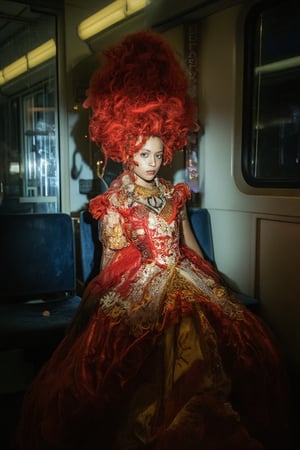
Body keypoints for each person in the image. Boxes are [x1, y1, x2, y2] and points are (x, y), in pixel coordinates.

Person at [17, 31, 290, 450]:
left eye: (158, 155)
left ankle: (203, 413)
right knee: (142, 343)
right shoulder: (114, 201)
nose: (151, 162)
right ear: (127, 150)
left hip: (184, 274)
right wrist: (97, 305)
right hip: (141, 281)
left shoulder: (174, 192)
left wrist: (215, 280)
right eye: (143, 154)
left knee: (218, 325)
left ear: (167, 153)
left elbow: (189, 244)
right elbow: (110, 260)